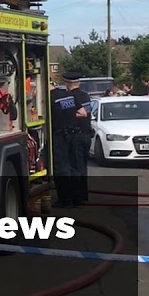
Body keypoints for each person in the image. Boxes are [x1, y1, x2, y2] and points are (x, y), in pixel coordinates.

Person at [50, 71, 93, 208]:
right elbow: (86, 113)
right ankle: (81, 197)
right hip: (85, 134)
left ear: (67, 83)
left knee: (69, 167)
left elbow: (79, 114)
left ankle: (70, 198)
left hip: (73, 135)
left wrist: (67, 115)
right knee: (80, 167)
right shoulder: (85, 95)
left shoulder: (67, 96)